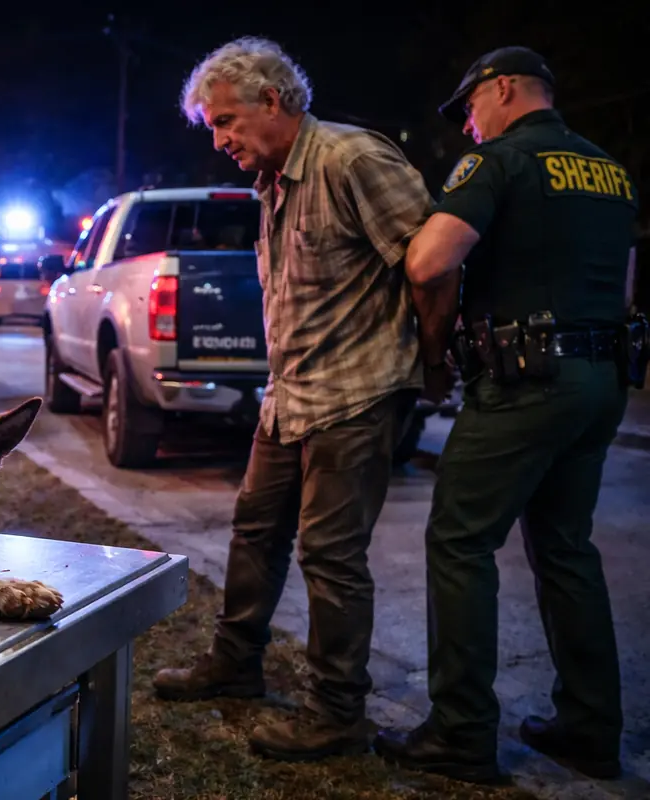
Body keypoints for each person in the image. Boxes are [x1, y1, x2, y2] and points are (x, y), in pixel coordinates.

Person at [152, 36, 431, 761]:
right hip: (290, 393)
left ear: (272, 101)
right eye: (213, 126)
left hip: (358, 389)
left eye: (226, 122)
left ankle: (337, 713)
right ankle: (235, 663)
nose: (220, 140)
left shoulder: (352, 159)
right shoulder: (274, 182)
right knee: (255, 529)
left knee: (332, 557)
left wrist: (432, 363)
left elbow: (431, 266)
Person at [373, 46, 640, 784]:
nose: (468, 123)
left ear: (504, 90)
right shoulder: (610, 172)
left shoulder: (498, 162)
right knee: (566, 550)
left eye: (469, 107)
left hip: (526, 381)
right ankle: (590, 728)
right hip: (601, 377)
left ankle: (460, 732)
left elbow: (431, 260)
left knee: (459, 541)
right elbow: (621, 292)